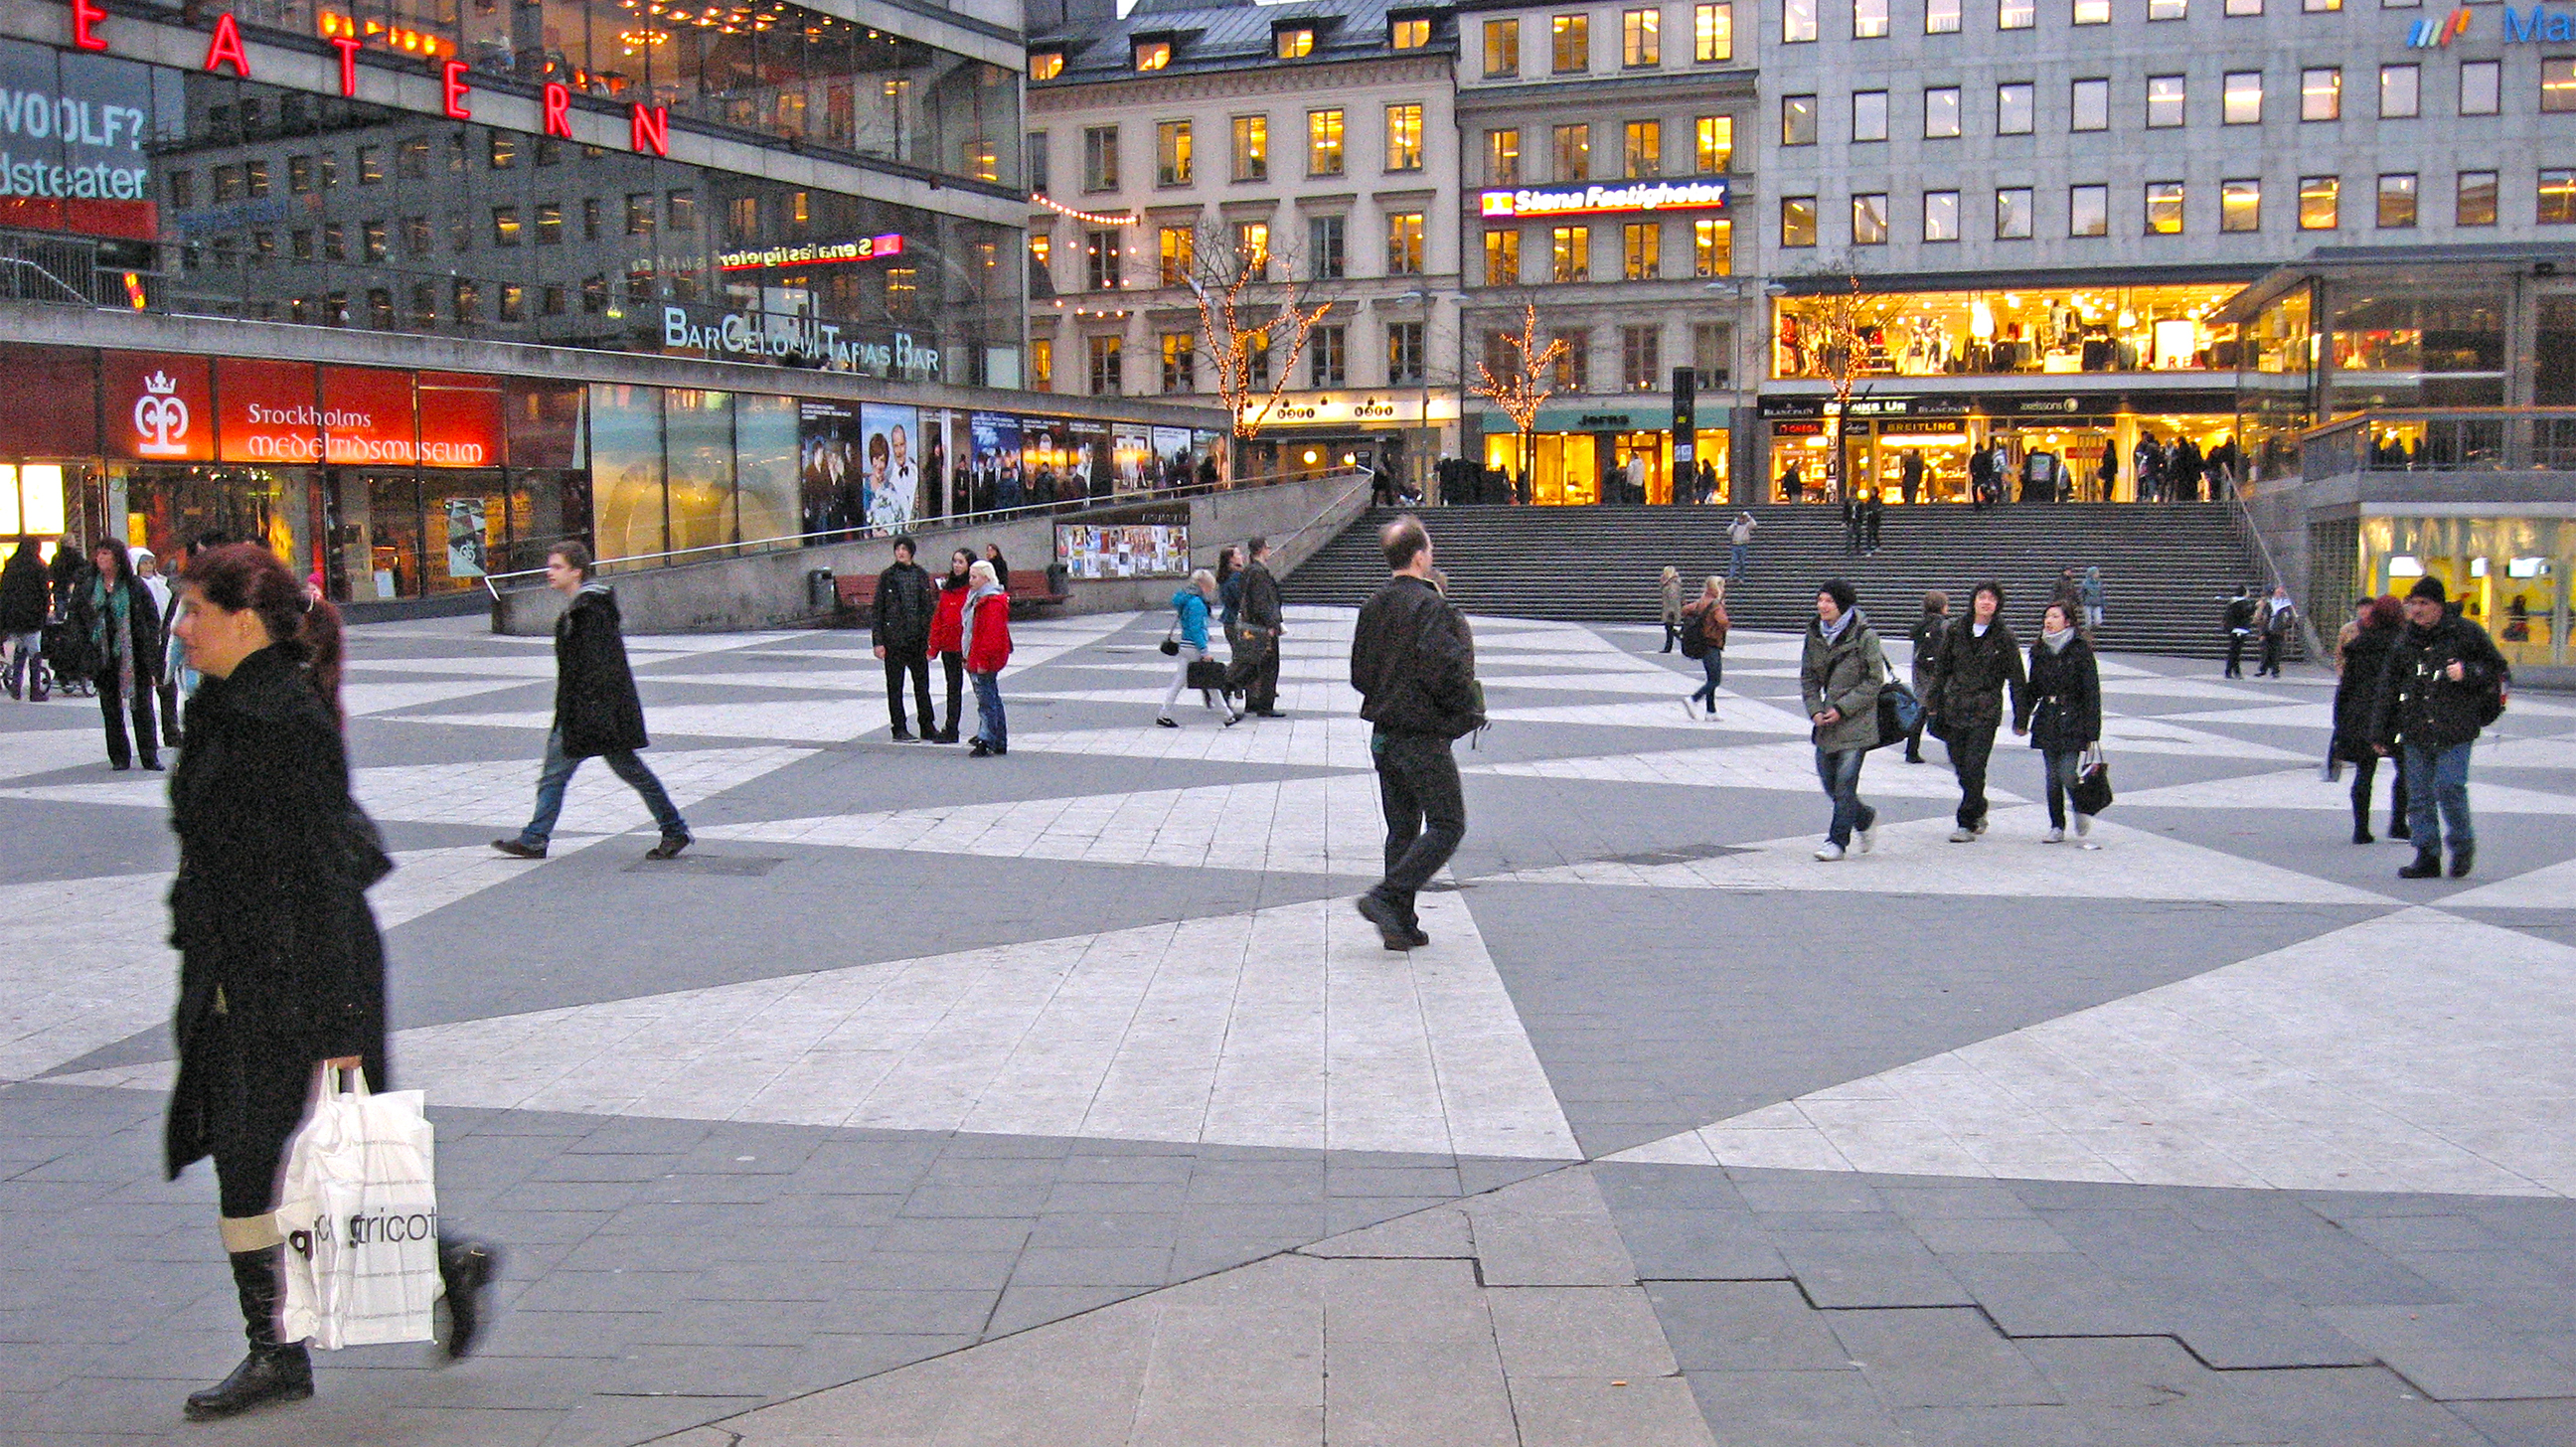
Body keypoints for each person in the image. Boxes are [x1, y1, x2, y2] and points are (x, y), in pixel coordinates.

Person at [164, 543, 498, 1421]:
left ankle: (294, 1343)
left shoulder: (283, 718)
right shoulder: (222, 708)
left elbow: (319, 872)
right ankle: (295, 1342)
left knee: (312, 1158)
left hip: (307, 970)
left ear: (243, 619)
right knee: (249, 1154)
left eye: (194, 609)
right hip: (245, 968)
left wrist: (342, 1015)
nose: (181, 627)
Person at [492, 543, 691, 861]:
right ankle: (673, 829)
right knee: (609, 772)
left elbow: (600, 669)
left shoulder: (590, 611)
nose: (549, 572)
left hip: (592, 714)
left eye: (557, 567)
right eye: (550, 566)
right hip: (590, 712)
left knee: (573, 774)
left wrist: (588, 715)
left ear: (576, 572)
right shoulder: (583, 608)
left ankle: (535, 838)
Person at [1349, 516, 1482, 951]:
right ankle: (1386, 898)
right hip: (1421, 734)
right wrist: (1466, 710)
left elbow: (1360, 675)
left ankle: (1399, 924)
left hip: (1384, 733)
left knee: (1402, 828)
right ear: (1421, 556)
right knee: (1448, 823)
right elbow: (1448, 671)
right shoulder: (1431, 608)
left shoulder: (1372, 606)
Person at [2372, 575, 2508, 880]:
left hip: (2455, 727)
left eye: (2424, 604)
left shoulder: (2466, 633)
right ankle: (2427, 853)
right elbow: (2388, 686)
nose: (2416, 610)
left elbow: (2497, 669)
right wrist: (2380, 731)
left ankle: (2461, 845)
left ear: (2439, 606)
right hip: (2415, 727)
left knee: (2450, 787)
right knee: (2418, 794)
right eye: (2413, 603)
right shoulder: (2406, 639)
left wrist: (2468, 671)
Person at [1924, 582, 2027, 841]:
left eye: (1992, 599)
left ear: (1998, 605)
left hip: (1985, 709)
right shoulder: (1956, 630)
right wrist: (1932, 703)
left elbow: (2016, 677)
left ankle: (1966, 821)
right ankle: (1979, 805)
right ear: (1973, 601)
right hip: (1955, 706)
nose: (1986, 602)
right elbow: (1941, 669)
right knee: (1960, 763)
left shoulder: (2004, 636)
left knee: (1974, 764)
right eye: (1982, 597)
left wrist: (2021, 716)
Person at [1801, 580, 1885, 862]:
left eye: (1829, 601)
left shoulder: (1864, 636)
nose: (1822, 606)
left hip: (1856, 720)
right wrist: (1814, 710)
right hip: (1826, 721)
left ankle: (1836, 842)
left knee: (1845, 783)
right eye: (1820, 600)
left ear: (1842, 605)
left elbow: (1875, 680)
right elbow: (1808, 678)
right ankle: (1864, 817)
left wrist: (1843, 708)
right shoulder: (1814, 634)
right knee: (1830, 783)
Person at [2017, 601, 2103, 847]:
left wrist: (2092, 730)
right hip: (2048, 717)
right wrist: (2022, 718)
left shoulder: (2080, 650)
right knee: (2051, 777)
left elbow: (2091, 691)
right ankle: (2056, 825)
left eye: (2055, 616)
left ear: (2067, 621)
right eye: (2046, 616)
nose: (2049, 620)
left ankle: (2080, 807)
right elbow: (2033, 687)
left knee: (2067, 771)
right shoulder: (2040, 650)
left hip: (2074, 717)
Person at [77, 540, 165, 771]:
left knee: (142, 706)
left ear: (117, 558)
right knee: (110, 708)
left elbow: (151, 618)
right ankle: (119, 756)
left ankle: (149, 755)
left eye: (106, 553)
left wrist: (150, 648)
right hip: (103, 656)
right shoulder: (88, 586)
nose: (101, 558)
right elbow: (77, 619)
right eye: (99, 553)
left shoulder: (134, 586)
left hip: (133, 655)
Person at [2334, 596, 2409, 845]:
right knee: (2404, 768)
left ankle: (2361, 828)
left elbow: (2346, 686)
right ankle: (2398, 822)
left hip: (2360, 712)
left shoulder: (2360, 644)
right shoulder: (2404, 644)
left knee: (2365, 772)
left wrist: (2340, 720)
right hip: (2396, 711)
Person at [871, 537, 936, 741]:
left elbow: (928, 608)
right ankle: (899, 727)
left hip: (917, 638)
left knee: (922, 685)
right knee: (895, 686)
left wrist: (931, 638)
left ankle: (927, 725)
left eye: (904, 549)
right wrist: (878, 641)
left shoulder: (921, 575)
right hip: (894, 639)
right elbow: (878, 610)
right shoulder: (888, 576)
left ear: (911, 552)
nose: (900, 552)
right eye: (897, 549)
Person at [1159, 568, 1236, 726]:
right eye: (1210, 586)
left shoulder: (1187, 600)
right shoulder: (1196, 603)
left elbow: (1192, 626)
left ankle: (1164, 713)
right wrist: (1204, 650)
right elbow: (1195, 628)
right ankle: (1227, 715)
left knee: (1179, 682)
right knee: (1210, 681)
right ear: (1203, 584)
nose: (1210, 590)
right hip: (1193, 647)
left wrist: (1205, 635)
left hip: (1185, 644)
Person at [961, 559, 1013, 756]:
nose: (971, 580)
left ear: (986, 578)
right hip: (976, 655)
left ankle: (987, 739)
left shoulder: (990, 601)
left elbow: (989, 635)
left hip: (983, 658)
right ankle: (998, 739)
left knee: (986, 700)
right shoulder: (978, 597)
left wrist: (982, 661)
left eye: (974, 576)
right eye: (970, 576)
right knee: (991, 696)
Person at [1233, 536, 1285, 718]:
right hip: (1262, 628)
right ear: (1262, 549)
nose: (1269, 551)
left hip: (1252, 626)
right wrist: (1272, 624)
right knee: (1269, 665)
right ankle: (1265, 704)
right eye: (1268, 548)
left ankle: (1253, 701)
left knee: (1255, 663)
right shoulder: (1258, 573)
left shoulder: (1250, 571)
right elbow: (1262, 601)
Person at [926, 548, 972, 744]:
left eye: (961, 562)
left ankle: (987, 728)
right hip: (949, 646)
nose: (957, 565)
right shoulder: (948, 589)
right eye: (955, 561)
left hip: (969, 647)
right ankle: (951, 727)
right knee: (953, 688)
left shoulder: (973, 588)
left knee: (981, 688)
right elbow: (939, 619)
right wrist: (933, 647)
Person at [1903, 590, 1949, 764]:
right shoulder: (1945, 625)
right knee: (1941, 708)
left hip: (1921, 672)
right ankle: (1954, 745)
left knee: (1922, 708)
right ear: (1943, 607)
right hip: (1937, 672)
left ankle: (1911, 750)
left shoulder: (1921, 626)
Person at [1, 537, 45, 700]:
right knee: (34, 651)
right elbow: (43, 592)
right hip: (32, 616)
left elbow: (4, 592)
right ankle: (35, 689)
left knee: (19, 649)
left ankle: (16, 686)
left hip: (14, 615)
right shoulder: (38, 566)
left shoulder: (11, 565)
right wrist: (44, 611)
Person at [1680, 576, 1729, 720]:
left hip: (1702, 642)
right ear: (1717, 587)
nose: (1724, 589)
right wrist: (1724, 623)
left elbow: (1685, 609)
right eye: (1722, 586)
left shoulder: (1703, 601)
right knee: (1715, 680)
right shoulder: (1715, 604)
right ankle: (1693, 699)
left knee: (1711, 678)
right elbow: (1722, 621)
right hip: (1712, 643)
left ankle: (1711, 711)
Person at [2257, 584, 2297, 677]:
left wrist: (2285, 625)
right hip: (2268, 630)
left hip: (2279, 631)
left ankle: (2275, 670)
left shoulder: (2286, 605)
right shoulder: (2269, 603)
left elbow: (2291, 617)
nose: (2280, 593)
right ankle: (2263, 669)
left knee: (2277, 651)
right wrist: (2262, 631)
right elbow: (2264, 618)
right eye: (2278, 592)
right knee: (2266, 650)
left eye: (2281, 592)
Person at [2222, 585, 2257, 678]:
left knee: (2234, 651)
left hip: (2234, 629)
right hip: (2240, 629)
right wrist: (2254, 607)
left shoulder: (2232, 602)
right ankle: (2231, 671)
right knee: (2235, 651)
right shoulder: (2241, 603)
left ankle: (2232, 671)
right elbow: (2245, 614)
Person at [1658, 565, 1685, 653]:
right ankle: (1668, 646)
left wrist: (1672, 611)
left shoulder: (1672, 584)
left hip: (1670, 610)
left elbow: (1673, 599)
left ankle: (1678, 640)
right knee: (1669, 629)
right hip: (1669, 608)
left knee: (1669, 628)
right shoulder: (1670, 583)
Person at [1727, 512, 1756, 581]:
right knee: (1733, 561)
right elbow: (1728, 531)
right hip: (1735, 545)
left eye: (1743, 518)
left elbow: (1754, 525)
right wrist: (1734, 524)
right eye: (1740, 518)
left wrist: (1749, 517)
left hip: (1743, 545)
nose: (1741, 520)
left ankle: (1741, 577)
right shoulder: (1735, 526)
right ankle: (1731, 576)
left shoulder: (1747, 525)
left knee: (1742, 562)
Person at [2079, 565, 2105, 632]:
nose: (2098, 574)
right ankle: (2088, 633)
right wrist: (2082, 602)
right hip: (2088, 603)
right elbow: (2082, 594)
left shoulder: (2099, 583)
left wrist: (2103, 603)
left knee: (2098, 621)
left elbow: (2101, 594)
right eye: (2096, 573)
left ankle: (2093, 630)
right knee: (2088, 622)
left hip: (2097, 603)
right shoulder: (2085, 583)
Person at [1861, 489, 1884, 553]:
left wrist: (1875, 512)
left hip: (1876, 519)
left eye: (1873, 491)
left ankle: (1877, 545)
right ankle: (1869, 548)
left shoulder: (1879, 501)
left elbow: (1880, 509)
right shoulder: (1869, 501)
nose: (1872, 493)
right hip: (1870, 519)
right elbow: (1866, 508)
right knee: (1869, 533)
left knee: (1875, 533)